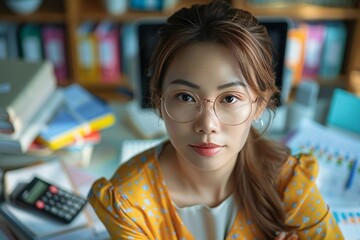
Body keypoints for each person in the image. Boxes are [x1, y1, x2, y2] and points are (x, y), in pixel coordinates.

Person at [88, 0, 344, 239]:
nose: (207, 125)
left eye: (230, 98)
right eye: (186, 97)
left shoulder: (288, 182)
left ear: (259, 105)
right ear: (159, 99)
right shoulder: (129, 202)